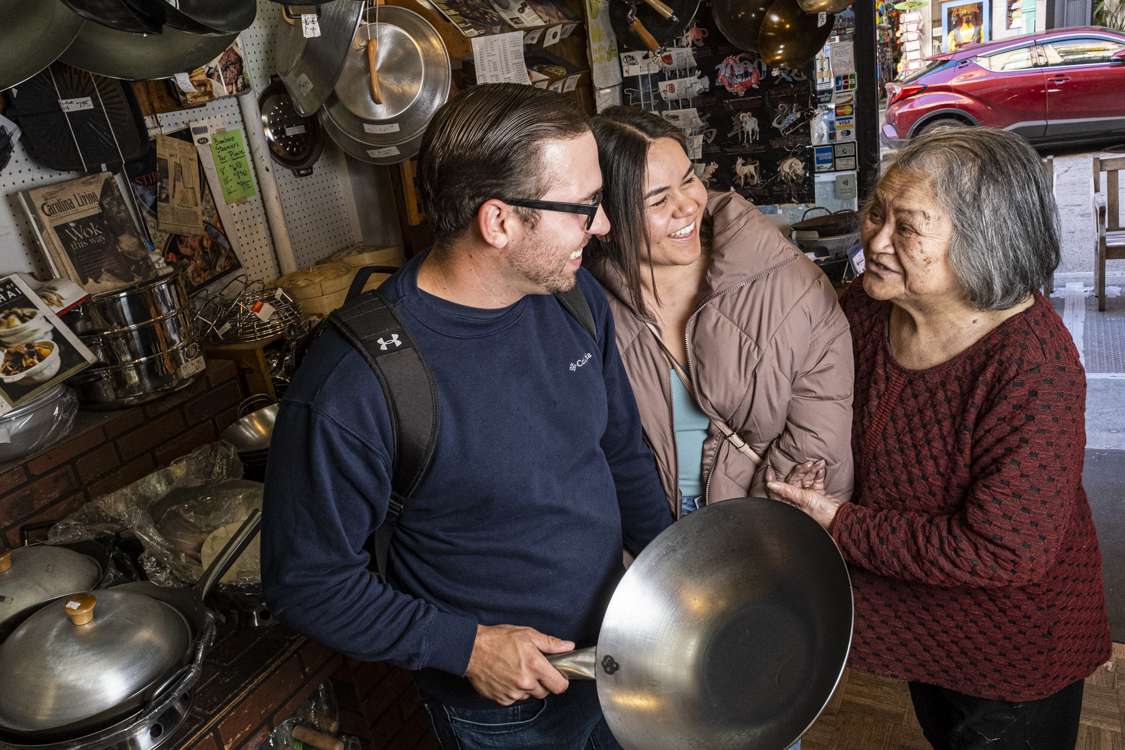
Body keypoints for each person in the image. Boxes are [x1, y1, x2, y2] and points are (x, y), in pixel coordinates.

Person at [261, 84, 673, 750]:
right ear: (499, 221)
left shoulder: (573, 299)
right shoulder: (358, 382)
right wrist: (465, 648)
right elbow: (307, 582)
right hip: (506, 710)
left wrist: (669, 580)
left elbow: (618, 450)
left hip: (621, 653)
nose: (601, 227)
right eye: (584, 208)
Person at [766, 127, 1111, 750]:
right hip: (924, 629)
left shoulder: (1031, 367)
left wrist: (839, 522)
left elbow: (1007, 552)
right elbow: (831, 408)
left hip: (1012, 652)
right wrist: (819, 462)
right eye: (876, 213)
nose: (874, 240)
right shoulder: (868, 309)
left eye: (907, 227)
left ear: (985, 244)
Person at [584, 106, 854, 523]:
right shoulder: (581, 302)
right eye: (657, 199)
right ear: (607, 217)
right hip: (642, 542)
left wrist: (736, 544)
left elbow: (817, 443)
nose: (687, 207)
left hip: (763, 531)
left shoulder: (789, 284)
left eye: (689, 179)